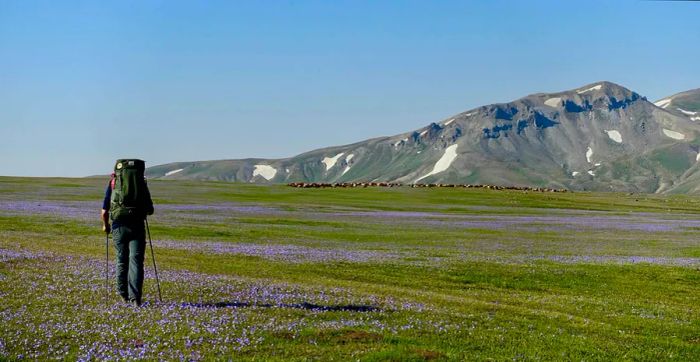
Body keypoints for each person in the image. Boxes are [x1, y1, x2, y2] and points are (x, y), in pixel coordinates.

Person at [101, 159, 154, 307]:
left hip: (118, 227)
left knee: (121, 260)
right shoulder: (141, 183)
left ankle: (123, 295)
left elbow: (105, 210)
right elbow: (150, 210)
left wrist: (106, 226)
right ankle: (135, 299)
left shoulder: (113, 183)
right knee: (136, 261)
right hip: (137, 226)